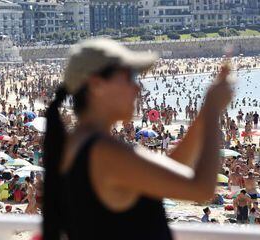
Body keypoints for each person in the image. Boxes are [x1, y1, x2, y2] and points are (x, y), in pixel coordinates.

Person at [43, 39, 233, 239]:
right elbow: (201, 189)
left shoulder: (78, 143)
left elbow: (169, 169)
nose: (137, 88)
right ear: (96, 84)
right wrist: (213, 111)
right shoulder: (105, 152)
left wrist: (204, 114)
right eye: (130, 77)